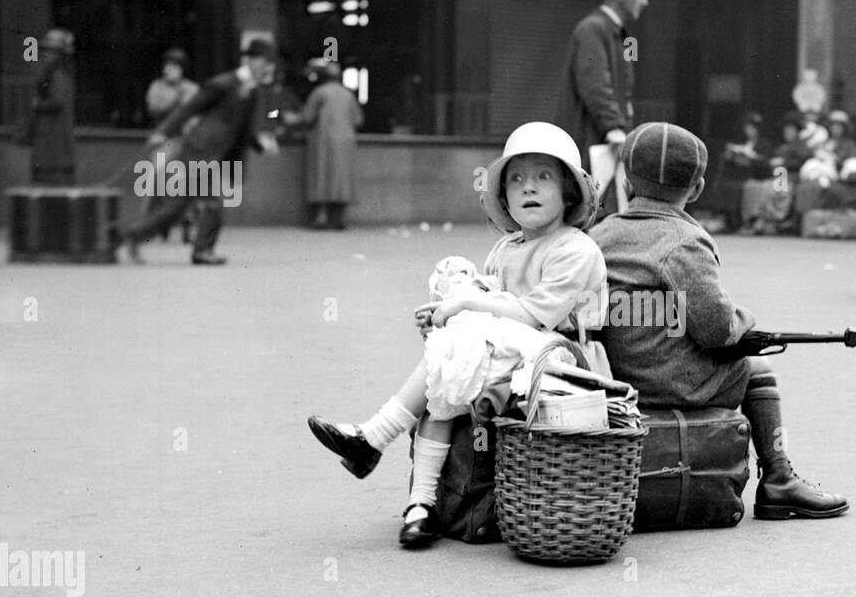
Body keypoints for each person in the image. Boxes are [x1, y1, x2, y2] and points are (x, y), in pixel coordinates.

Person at [306, 122, 607, 549]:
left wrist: (465, 307)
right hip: (510, 356)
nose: (528, 188)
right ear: (504, 198)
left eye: (543, 176)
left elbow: (534, 315)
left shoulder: (575, 248)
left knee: (457, 355)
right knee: (447, 375)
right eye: (516, 180)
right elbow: (492, 305)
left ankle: (378, 441)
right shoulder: (506, 249)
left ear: (570, 192)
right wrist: (444, 317)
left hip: (561, 363)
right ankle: (421, 507)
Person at [589, 121, 849, 521]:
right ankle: (778, 478)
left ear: (626, 179)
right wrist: (745, 319)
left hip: (613, 377)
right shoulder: (685, 241)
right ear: (696, 189)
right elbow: (716, 330)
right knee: (755, 366)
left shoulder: (599, 234)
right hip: (667, 383)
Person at [117, 38, 280, 265]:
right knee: (211, 204)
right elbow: (191, 106)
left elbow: (243, 129)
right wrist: (164, 131)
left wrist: (261, 145)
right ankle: (201, 251)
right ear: (253, 60)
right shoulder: (225, 82)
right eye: (266, 62)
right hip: (199, 150)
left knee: (176, 207)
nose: (268, 68)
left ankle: (133, 235)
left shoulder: (251, 90)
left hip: (209, 153)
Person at [554, 0, 652, 209]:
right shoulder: (593, 29)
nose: (645, 1)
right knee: (593, 212)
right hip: (594, 142)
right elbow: (594, 84)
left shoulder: (608, 31)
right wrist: (615, 129)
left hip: (601, 141)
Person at [287, 58, 363, 230]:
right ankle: (338, 219)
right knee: (341, 179)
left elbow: (307, 117)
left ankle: (320, 218)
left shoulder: (319, 93)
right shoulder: (348, 94)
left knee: (322, 177)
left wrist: (288, 119)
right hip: (346, 142)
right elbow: (358, 119)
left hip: (323, 140)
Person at [142, 48, 201, 243]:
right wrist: (177, 102)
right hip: (165, 140)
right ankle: (149, 225)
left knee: (188, 182)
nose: (169, 70)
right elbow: (155, 112)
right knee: (154, 179)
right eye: (167, 65)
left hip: (185, 141)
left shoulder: (191, 88)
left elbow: (196, 116)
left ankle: (188, 225)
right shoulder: (157, 87)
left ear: (182, 69)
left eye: (174, 66)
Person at [23, 28, 77, 186]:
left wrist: (38, 105)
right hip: (49, 136)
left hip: (53, 137)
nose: (46, 54)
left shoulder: (58, 73)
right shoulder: (55, 72)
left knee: (51, 181)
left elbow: (58, 100)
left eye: (51, 50)